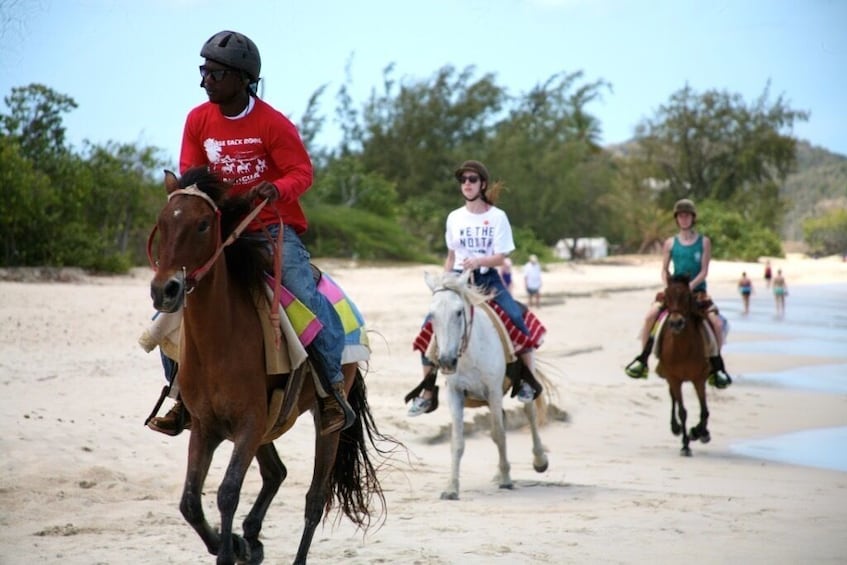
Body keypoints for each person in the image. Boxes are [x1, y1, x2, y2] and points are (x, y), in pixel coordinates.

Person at [146, 30, 354, 437]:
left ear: (242, 79)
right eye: (203, 71)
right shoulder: (197, 120)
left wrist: (276, 188)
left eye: (215, 73)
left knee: (306, 299)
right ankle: (178, 398)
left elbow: (302, 173)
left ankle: (331, 393)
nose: (206, 80)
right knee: (166, 310)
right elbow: (193, 174)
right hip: (220, 231)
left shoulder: (273, 124)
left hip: (271, 228)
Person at [406, 160, 545, 416]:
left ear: (482, 184)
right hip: (458, 279)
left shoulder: (497, 217)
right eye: (463, 180)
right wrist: (444, 283)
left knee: (515, 317)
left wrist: (479, 261)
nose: (467, 184)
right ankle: (427, 392)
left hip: (487, 279)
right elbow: (451, 255)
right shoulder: (454, 217)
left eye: (472, 179)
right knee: (429, 325)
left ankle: (528, 381)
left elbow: (501, 257)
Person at [624, 198, 732, 389]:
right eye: (680, 216)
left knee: (715, 322)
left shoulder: (704, 242)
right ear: (677, 219)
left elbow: (704, 271)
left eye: (687, 216)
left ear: (692, 218)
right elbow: (664, 270)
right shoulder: (670, 243)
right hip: (674, 292)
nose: (684, 219)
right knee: (650, 316)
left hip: (697, 291)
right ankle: (643, 358)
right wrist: (671, 288)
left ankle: (717, 366)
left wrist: (689, 287)